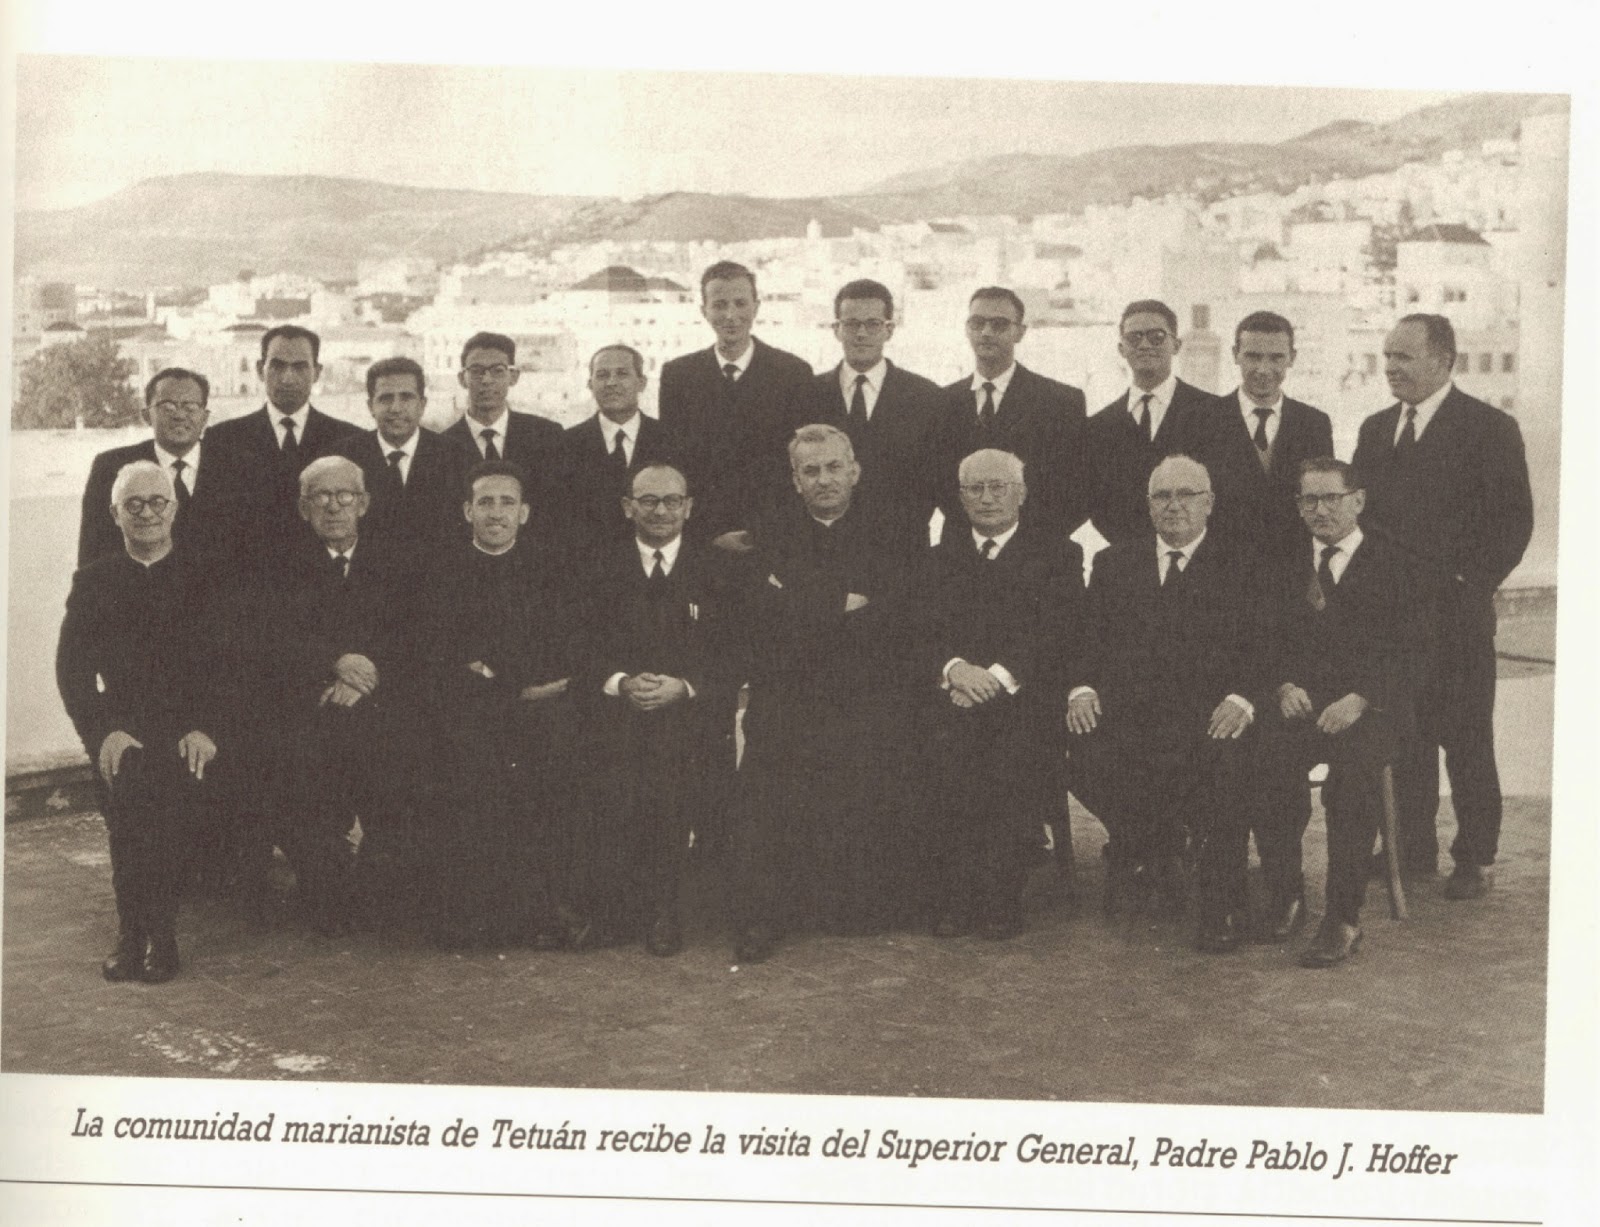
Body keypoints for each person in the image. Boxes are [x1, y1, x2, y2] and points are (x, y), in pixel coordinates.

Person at [1351, 314, 1533, 896]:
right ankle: (1411, 847)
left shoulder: (1490, 428)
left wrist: (1465, 583)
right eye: (1387, 356)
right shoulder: (1375, 430)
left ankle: (1475, 858)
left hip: (1457, 619)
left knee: (1467, 739)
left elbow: (1513, 524)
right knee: (1405, 736)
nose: (1391, 367)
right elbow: (1364, 520)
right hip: (1392, 622)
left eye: (1404, 357)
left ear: (1444, 360)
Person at [731, 424, 912, 962]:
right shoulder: (768, 531)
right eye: (810, 471)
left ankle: (849, 900)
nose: (824, 479)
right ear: (795, 480)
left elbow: (892, 618)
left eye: (834, 467)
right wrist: (843, 602)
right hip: (790, 689)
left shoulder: (892, 529)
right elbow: (762, 618)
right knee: (768, 775)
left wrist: (801, 601)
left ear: (855, 471)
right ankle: (765, 914)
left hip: (865, 688)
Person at [1066, 455, 1260, 951]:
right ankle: (1151, 846)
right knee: (1084, 753)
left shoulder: (1243, 563)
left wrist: (1242, 698)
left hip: (1208, 715)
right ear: (1148, 504)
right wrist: (1082, 688)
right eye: (1162, 496)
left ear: (1209, 503)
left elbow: (1265, 645)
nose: (1174, 506)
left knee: (1224, 766)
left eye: (1186, 495)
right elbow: (1086, 638)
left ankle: (1221, 905)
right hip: (1132, 714)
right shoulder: (1115, 562)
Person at [56, 461, 232, 982]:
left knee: (160, 798)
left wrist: (208, 728)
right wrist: (103, 733)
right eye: (133, 504)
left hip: (194, 730)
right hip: (124, 727)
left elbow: (234, 666)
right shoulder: (94, 582)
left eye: (158, 502)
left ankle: (154, 934)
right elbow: (72, 671)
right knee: (131, 784)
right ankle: (138, 934)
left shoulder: (209, 576)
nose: (147, 513)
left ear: (174, 509)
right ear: (115, 514)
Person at [1254, 459, 1426, 966]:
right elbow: (1263, 641)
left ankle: (1343, 917)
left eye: (1331, 498)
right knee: (1262, 756)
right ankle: (1285, 894)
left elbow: (1416, 652)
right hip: (1304, 705)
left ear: (1359, 501)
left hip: (1372, 709)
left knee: (1351, 777)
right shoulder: (1284, 562)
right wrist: (1282, 686)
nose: (1320, 510)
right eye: (1308, 500)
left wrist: (1361, 698)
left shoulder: (1397, 562)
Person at [240, 456, 421, 935]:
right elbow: (268, 640)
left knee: (395, 790)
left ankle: (381, 871)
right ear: (304, 508)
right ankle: (327, 875)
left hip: (380, 705)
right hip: (308, 707)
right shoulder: (276, 566)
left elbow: (415, 637)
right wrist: (333, 664)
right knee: (325, 895)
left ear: (364, 504)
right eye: (321, 496)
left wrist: (366, 678)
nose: (334, 506)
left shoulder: (397, 562)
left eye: (345, 496)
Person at [567, 462, 735, 955]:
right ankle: (615, 911)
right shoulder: (597, 566)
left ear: (689, 507)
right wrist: (620, 683)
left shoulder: (718, 569)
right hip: (616, 712)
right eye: (648, 501)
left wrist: (685, 687)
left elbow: (736, 650)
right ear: (628, 507)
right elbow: (577, 645)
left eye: (671, 501)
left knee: (672, 784)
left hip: (691, 716)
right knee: (610, 789)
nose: (661, 511)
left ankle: (665, 910)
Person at [916, 448, 1083, 939]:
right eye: (975, 488)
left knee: (1011, 753)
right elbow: (922, 631)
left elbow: (1056, 632)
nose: (986, 498)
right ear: (960, 496)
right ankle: (955, 890)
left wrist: (995, 678)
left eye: (998, 487)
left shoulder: (1059, 554)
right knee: (934, 746)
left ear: (1022, 493)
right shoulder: (937, 558)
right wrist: (955, 670)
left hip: (1024, 698)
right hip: (954, 695)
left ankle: (1000, 893)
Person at [419, 460, 571, 950]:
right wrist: (510, 684)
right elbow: (444, 656)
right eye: (485, 502)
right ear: (467, 511)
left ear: (524, 513)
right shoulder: (441, 573)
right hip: (468, 713)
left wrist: (495, 671)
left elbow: (559, 649)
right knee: (469, 781)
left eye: (508, 503)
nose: (496, 513)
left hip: (539, 711)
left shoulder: (552, 570)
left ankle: (538, 911)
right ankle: (474, 915)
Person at [657, 260, 813, 548]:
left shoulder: (793, 374)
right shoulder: (678, 376)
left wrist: (765, 535)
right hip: (703, 539)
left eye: (740, 303)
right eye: (719, 305)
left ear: (756, 307)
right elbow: (674, 466)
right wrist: (708, 536)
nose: (731, 315)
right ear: (704, 311)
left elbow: (802, 466)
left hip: (777, 539)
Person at [932, 287, 1086, 543]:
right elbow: (938, 485)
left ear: (1020, 332)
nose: (986, 332)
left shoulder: (1060, 402)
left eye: (999, 324)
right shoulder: (942, 402)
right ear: (967, 329)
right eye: (977, 323)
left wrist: (1028, 544)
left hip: (1036, 553)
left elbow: (1075, 491)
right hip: (961, 552)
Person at [201, 324, 359, 568]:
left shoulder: (349, 440)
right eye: (277, 366)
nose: (287, 378)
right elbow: (213, 524)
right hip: (249, 576)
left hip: (325, 577)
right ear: (260, 370)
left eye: (300, 367)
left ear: (317, 372)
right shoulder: (223, 439)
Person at [804, 279, 943, 555]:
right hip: (823, 552)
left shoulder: (927, 397)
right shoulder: (807, 395)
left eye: (873, 324)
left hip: (902, 554)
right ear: (836, 329)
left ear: (889, 330)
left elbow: (935, 482)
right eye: (851, 324)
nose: (861, 333)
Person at [1080, 300, 1230, 547]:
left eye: (1157, 337)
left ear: (1176, 345)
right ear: (1121, 348)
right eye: (1134, 338)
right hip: (1128, 560)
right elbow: (1097, 504)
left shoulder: (1216, 413)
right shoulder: (1098, 427)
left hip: (1201, 559)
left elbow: (1225, 495)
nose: (1145, 345)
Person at [1211, 311, 1334, 563]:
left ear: (1292, 358)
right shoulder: (1203, 420)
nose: (1263, 369)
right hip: (1220, 569)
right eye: (1253, 356)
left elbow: (1321, 503)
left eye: (1276, 357)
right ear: (1235, 354)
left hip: (1292, 571)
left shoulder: (1314, 424)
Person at [78, 367, 221, 566]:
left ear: (205, 417)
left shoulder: (237, 468)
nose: (179, 415)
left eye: (190, 407)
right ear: (146, 415)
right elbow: (93, 556)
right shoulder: (110, 467)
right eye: (167, 407)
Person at [335, 357, 468, 552]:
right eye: (385, 398)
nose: (396, 408)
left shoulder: (456, 456)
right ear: (370, 406)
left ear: (422, 404)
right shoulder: (344, 457)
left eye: (406, 397)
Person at [559, 344, 676, 562]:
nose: (611, 382)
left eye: (622, 374)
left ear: (641, 383)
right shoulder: (565, 444)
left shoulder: (673, 441)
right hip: (587, 565)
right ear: (590, 384)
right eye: (602, 375)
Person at [442, 332, 566, 532]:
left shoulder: (547, 436)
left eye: (498, 371)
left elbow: (560, 510)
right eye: (476, 371)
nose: (486, 380)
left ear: (513, 377)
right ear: (462, 379)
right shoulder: (441, 447)